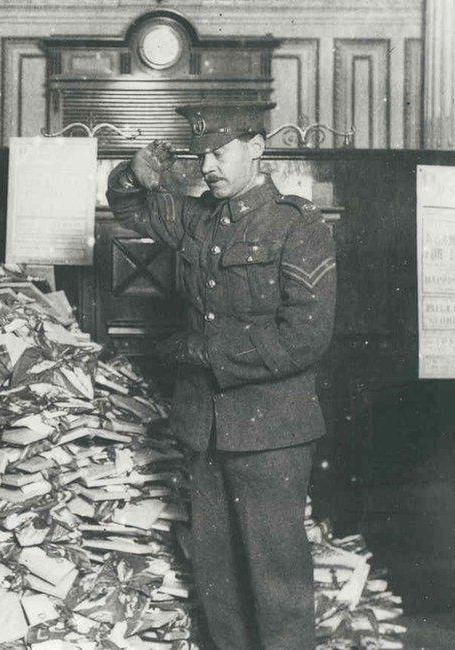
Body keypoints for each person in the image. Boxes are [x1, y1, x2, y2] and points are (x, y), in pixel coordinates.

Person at [106, 102, 337, 649]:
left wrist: (206, 351)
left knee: (275, 577)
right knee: (216, 574)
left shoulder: (296, 226)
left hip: (271, 431)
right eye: (201, 153)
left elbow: (305, 337)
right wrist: (132, 173)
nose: (207, 165)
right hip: (205, 428)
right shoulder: (198, 217)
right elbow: (128, 205)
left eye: (220, 151)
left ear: (256, 149)